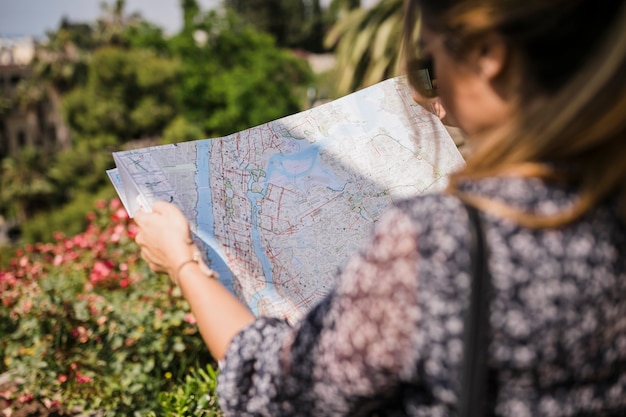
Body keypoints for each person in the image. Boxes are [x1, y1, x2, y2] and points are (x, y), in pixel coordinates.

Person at [133, 0, 626, 415]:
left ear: (487, 55)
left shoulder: (442, 242)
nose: (434, 102)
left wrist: (183, 261)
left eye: (431, 67)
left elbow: (277, 389)